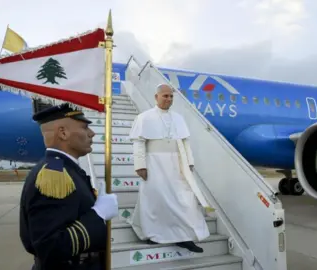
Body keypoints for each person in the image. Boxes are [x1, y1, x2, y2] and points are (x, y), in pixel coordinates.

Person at [19, 103, 119, 270]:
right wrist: (98, 214)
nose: (92, 133)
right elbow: (50, 247)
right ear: (63, 133)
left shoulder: (68, 169)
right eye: (85, 127)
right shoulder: (54, 174)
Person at [127, 83, 210, 253]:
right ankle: (154, 235)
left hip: (176, 164)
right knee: (155, 200)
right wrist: (140, 165)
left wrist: (190, 162)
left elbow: (185, 142)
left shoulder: (178, 118)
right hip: (154, 164)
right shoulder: (144, 117)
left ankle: (185, 237)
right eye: (165, 96)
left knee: (185, 200)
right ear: (156, 97)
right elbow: (139, 142)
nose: (169, 99)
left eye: (171, 96)